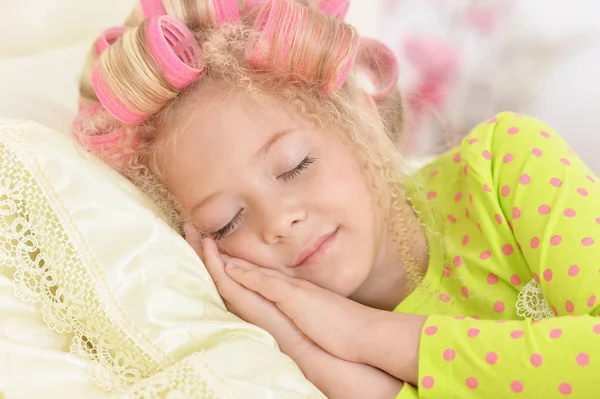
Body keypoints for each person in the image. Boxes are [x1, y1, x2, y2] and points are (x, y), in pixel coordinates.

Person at [73, 0, 600, 397]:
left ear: (359, 116)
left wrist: (366, 334)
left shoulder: (503, 165)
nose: (279, 220)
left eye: (295, 166)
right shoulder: (271, 349)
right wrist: (307, 350)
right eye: (227, 222)